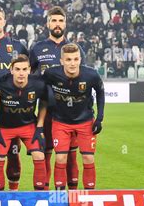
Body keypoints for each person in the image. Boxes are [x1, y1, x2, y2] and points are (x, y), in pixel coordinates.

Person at [29, 6, 86, 190]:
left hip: (70, 112)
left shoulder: (74, 49)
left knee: (70, 154)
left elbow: (82, 78)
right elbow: (29, 77)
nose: (57, 24)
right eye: (54, 20)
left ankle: (72, 196)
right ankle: (45, 195)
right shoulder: (37, 48)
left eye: (60, 21)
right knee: (45, 152)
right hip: (46, 110)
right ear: (47, 24)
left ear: (65, 24)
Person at [43, 43, 105, 190]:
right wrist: (50, 98)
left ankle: (90, 195)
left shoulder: (91, 75)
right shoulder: (51, 74)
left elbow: (101, 93)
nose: (72, 63)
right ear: (62, 61)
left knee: (88, 158)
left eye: (76, 59)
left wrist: (100, 118)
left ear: (80, 60)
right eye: (69, 59)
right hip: (60, 122)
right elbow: (41, 87)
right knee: (60, 158)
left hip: (85, 121)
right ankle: (60, 194)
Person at [0, 5, 29, 190]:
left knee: (12, 153)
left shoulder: (18, 46)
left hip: (13, 110)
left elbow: (28, 74)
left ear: (4, 21)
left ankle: (13, 193)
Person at [0, 55, 49, 191]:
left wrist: (40, 126)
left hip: (28, 126)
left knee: (39, 155)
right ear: (11, 70)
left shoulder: (38, 84)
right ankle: (0, 197)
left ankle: (40, 195)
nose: (21, 73)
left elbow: (44, 102)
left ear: (29, 70)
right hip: (4, 127)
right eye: (17, 69)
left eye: (24, 69)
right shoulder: (1, 83)